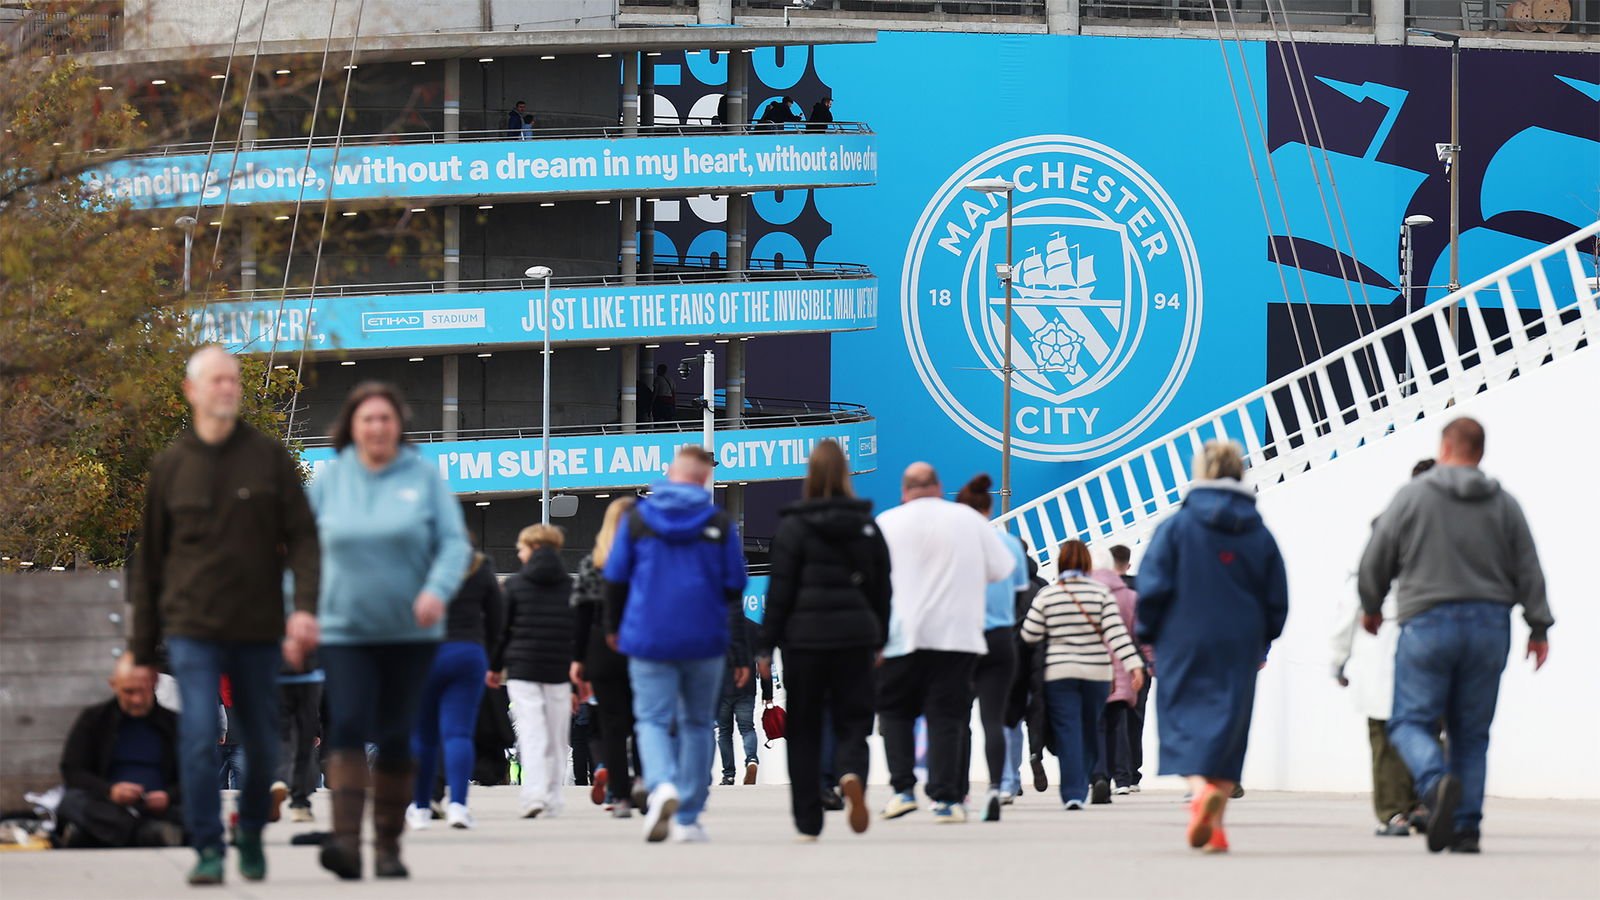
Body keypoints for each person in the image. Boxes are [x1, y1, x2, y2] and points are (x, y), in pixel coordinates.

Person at [131, 345, 320, 885]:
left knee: (261, 737)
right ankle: (208, 847)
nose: (226, 389)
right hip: (192, 630)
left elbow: (304, 541)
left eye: (232, 380)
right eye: (215, 380)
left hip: (258, 626)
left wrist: (304, 609)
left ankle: (253, 832)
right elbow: (149, 567)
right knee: (196, 736)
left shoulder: (269, 460)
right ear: (192, 391)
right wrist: (141, 652)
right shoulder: (171, 468)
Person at [1358, 417, 1552, 855]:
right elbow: (1528, 566)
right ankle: (1466, 828)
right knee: (1471, 733)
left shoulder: (1411, 498)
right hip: (1490, 626)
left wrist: (1372, 605)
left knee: (1409, 722)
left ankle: (1433, 780)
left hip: (1428, 623)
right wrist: (1538, 627)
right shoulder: (1505, 504)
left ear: (1444, 448)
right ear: (1479, 452)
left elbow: (1377, 555)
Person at [308, 381, 471, 880]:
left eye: (385, 419)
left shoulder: (423, 478)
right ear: (351, 427)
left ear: (398, 425)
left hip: (410, 633)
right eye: (367, 419)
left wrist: (435, 591)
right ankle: (345, 843)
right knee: (350, 726)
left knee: (398, 737)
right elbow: (299, 550)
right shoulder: (329, 482)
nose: (377, 427)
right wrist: (298, 610)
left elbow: (454, 545)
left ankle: (388, 846)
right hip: (344, 630)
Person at [1137, 440, 1287, 854]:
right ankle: (1216, 825)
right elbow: (1277, 595)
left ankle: (1201, 792)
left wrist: (1147, 631)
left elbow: (1151, 586)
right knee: (1229, 726)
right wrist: (1265, 636)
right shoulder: (1257, 531)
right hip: (1240, 640)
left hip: (1182, 638)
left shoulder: (1176, 527)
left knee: (1182, 720)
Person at [604, 445, 750, 844]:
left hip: (648, 635)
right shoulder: (718, 522)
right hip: (704, 637)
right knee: (698, 723)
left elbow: (615, 578)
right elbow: (735, 583)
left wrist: (613, 627)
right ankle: (688, 816)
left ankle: (661, 784)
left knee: (651, 719)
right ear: (704, 480)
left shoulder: (637, 519)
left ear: (670, 473)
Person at [757, 439, 891, 840]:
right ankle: (850, 773)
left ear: (810, 476)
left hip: (805, 642)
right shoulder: (867, 527)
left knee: (804, 727)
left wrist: (766, 645)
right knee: (853, 721)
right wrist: (880, 638)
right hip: (855, 638)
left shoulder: (793, 527)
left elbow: (779, 591)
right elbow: (881, 589)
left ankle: (809, 815)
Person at [875, 462, 1015, 823]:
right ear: (938, 487)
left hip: (902, 635)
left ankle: (903, 789)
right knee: (947, 716)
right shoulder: (969, 521)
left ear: (904, 491)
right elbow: (1001, 569)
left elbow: (870, 580)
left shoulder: (886, 523)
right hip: (958, 635)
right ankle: (946, 799)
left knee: (896, 712)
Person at [1334, 459, 1438, 838]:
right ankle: (1426, 803)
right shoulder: (1458, 530)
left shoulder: (1386, 526)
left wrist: (1338, 659)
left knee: (1384, 733)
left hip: (1385, 644)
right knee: (1427, 726)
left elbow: (1353, 600)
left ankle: (1395, 814)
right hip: (1435, 644)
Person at [1020, 540, 1145, 811]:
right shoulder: (1100, 595)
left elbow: (1029, 634)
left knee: (1068, 731)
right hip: (1097, 674)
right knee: (1091, 727)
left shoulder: (1048, 596)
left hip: (1059, 674)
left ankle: (1074, 792)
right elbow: (1118, 635)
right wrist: (1135, 665)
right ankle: (1096, 773)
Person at [408, 548, 504, 831]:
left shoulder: (414, 561)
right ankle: (458, 806)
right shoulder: (479, 566)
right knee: (458, 733)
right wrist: (487, 653)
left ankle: (421, 807)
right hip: (467, 651)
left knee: (424, 736)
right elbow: (496, 619)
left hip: (422, 652)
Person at [953, 474, 1029, 822]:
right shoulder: (1009, 544)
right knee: (993, 720)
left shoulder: (950, 544)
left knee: (956, 719)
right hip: (1000, 637)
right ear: (988, 507)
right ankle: (997, 786)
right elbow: (1018, 594)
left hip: (960, 638)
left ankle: (958, 789)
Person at [489, 524, 576, 820]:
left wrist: (495, 665)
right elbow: (579, 631)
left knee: (531, 731)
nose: (519, 552)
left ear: (534, 547)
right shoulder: (568, 585)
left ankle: (534, 793)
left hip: (523, 667)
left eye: (522, 547)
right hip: (560, 668)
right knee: (556, 734)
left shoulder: (515, 585)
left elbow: (502, 631)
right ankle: (552, 795)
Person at [56, 654, 185, 849]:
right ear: (114, 685)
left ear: (154, 682)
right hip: (108, 804)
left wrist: (168, 796)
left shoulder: (173, 723)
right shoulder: (94, 719)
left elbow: (194, 775)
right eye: (129, 692)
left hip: (159, 805)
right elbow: (73, 771)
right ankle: (143, 833)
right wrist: (110, 791)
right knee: (70, 801)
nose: (137, 700)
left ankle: (98, 834)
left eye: (143, 691)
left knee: (196, 807)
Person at [572, 497, 642, 818]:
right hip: (642, 644)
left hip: (602, 648)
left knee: (612, 725)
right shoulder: (648, 560)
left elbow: (581, 618)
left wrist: (578, 661)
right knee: (645, 720)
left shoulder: (592, 563)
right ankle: (643, 779)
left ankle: (621, 796)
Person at [1089, 546, 1149, 799]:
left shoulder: (1091, 592)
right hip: (1135, 663)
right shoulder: (1136, 593)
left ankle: (1107, 773)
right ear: (1128, 563)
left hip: (1100, 663)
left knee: (1106, 722)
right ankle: (1130, 775)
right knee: (1133, 720)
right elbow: (1144, 631)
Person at [716, 617, 771, 786]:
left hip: (721, 688)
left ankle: (729, 775)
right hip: (746, 688)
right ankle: (752, 760)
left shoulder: (716, 624)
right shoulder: (754, 628)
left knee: (724, 732)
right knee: (747, 728)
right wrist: (767, 694)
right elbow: (764, 662)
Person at [273, 648, 323, 824]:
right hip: (308, 671)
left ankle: (278, 780)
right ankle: (299, 802)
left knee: (280, 736)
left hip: (270, 668)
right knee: (304, 739)